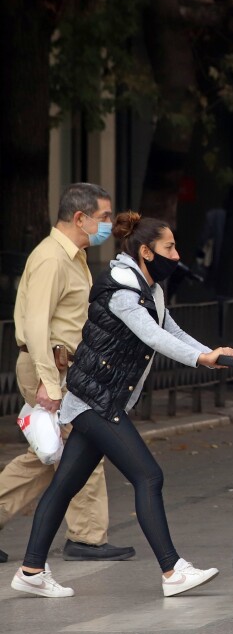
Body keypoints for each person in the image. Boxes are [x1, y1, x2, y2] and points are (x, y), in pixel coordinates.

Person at [11, 212, 233, 598]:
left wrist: (211, 353)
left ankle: (31, 570)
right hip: (96, 400)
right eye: (169, 248)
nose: (177, 255)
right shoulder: (121, 289)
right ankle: (172, 570)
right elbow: (153, 336)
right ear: (146, 251)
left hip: (100, 397)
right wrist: (201, 359)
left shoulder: (151, 288)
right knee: (149, 476)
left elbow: (170, 329)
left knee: (65, 484)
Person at [0, 183, 135, 564]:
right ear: (81, 217)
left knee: (61, 453)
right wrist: (48, 381)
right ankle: (86, 539)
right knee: (76, 449)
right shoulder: (52, 259)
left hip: (65, 368)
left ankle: (87, 537)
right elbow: (36, 324)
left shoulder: (72, 257)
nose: (109, 224)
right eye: (105, 217)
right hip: (51, 368)